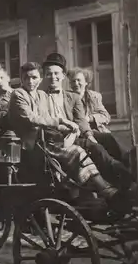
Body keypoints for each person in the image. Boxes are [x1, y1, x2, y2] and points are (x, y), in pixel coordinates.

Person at [7, 62, 131, 215]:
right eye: (26, 78)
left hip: (46, 141)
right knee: (76, 152)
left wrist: (69, 128)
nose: (30, 81)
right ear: (21, 79)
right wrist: (62, 121)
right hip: (30, 145)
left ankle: (108, 189)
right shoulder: (18, 94)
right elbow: (32, 118)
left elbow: (47, 118)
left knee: (90, 147)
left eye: (34, 78)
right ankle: (105, 190)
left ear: (39, 79)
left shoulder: (40, 95)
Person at [42, 53, 135, 191]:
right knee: (96, 149)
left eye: (56, 73)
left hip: (75, 135)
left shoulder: (72, 97)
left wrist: (89, 135)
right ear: (44, 76)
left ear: (62, 76)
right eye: (49, 74)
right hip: (57, 139)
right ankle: (121, 185)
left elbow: (81, 120)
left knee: (103, 142)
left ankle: (129, 175)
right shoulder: (40, 97)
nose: (53, 77)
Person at [67, 67, 129, 165]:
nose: (76, 84)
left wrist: (90, 118)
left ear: (86, 82)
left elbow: (106, 116)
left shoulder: (94, 96)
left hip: (96, 130)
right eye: (73, 81)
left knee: (110, 140)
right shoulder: (67, 98)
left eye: (79, 80)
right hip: (80, 133)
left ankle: (127, 163)